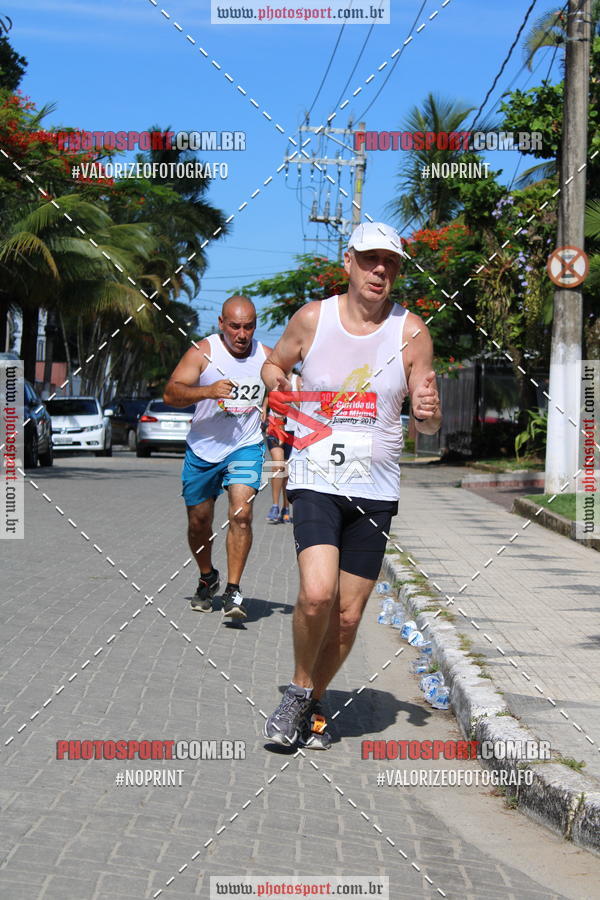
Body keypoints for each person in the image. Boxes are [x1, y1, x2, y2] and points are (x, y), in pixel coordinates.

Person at [260, 222, 441, 748]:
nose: (380, 269)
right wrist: (278, 385)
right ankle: (296, 695)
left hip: (376, 488)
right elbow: (275, 364)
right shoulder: (313, 319)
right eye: (370, 259)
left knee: (348, 614)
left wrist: (428, 415)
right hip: (316, 475)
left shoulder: (411, 333)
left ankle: (315, 701)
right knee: (317, 595)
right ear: (349, 262)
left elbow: (426, 420)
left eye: (390, 262)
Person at [163, 296, 270, 619]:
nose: (241, 334)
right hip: (203, 449)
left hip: (245, 445)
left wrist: (274, 407)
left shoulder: (265, 356)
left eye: (248, 326)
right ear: (222, 323)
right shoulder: (203, 352)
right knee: (199, 522)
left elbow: (284, 388)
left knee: (241, 514)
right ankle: (208, 576)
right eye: (235, 326)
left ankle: (234, 591)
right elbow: (171, 393)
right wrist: (206, 391)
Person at [264, 372, 301, 524]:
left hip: (292, 429)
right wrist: (264, 410)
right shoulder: (272, 378)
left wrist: (289, 395)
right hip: (275, 427)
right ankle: (274, 506)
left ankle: (286, 507)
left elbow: (301, 405)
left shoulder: (297, 380)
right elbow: (268, 396)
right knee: (277, 466)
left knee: (286, 471)